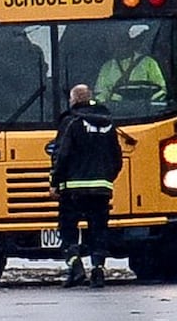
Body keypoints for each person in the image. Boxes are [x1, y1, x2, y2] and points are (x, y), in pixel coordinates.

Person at [50, 84, 123, 289]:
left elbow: (61, 155)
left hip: (72, 189)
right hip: (101, 189)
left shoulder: (71, 121)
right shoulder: (108, 123)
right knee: (99, 229)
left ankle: (76, 267)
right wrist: (107, 179)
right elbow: (117, 158)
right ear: (90, 98)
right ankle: (98, 270)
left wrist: (55, 182)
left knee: (68, 230)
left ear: (73, 100)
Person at [94, 31, 168, 105]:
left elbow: (162, 89)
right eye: (116, 44)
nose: (120, 47)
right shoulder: (107, 67)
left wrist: (149, 101)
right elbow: (100, 94)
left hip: (146, 111)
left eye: (123, 43)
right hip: (116, 112)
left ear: (132, 44)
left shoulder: (148, 62)